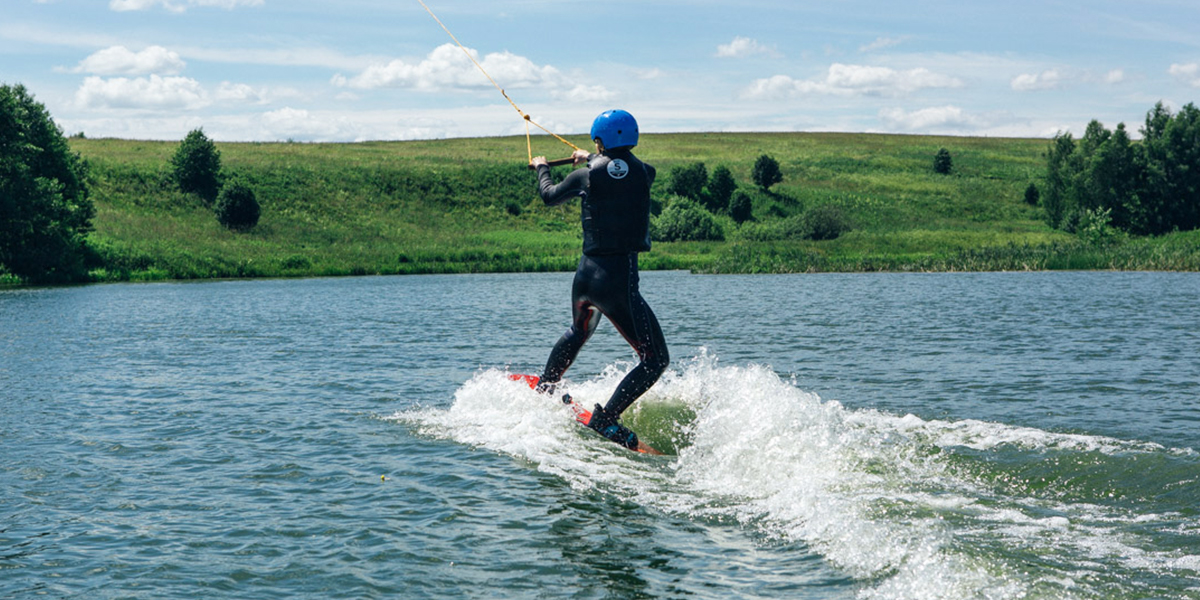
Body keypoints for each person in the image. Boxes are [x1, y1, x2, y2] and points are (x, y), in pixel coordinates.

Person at [530, 109, 669, 453]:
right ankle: (607, 416)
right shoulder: (645, 173)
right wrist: (594, 156)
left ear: (599, 138)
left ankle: (546, 387)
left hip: (586, 278)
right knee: (655, 360)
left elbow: (549, 195)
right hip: (618, 283)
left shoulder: (583, 176)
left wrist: (542, 167)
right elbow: (619, 170)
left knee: (579, 331)